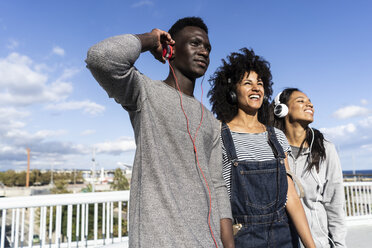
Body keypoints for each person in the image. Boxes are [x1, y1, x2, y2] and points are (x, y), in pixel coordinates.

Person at [86, 17, 234, 248]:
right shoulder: (145, 91)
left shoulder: (212, 121)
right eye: (195, 44)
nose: (204, 52)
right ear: (171, 49)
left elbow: (217, 185)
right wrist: (151, 39)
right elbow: (101, 57)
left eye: (207, 48)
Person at [208, 48, 316, 247]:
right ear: (232, 92)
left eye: (260, 83)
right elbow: (217, 200)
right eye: (247, 83)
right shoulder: (218, 135)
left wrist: (311, 245)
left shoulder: (276, 136)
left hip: (284, 235)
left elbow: (290, 196)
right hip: (241, 238)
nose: (256, 88)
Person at [270, 88, 346, 247]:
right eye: (300, 101)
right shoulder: (271, 148)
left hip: (319, 243)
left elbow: (335, 204)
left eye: (309, 101)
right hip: (281, 243)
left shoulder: (326, 149)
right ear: (282, 109)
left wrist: (339, 244)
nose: (309, 104)